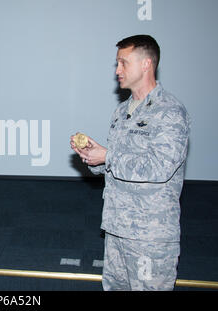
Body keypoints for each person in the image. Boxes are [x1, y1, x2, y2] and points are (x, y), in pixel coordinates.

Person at [70, 35, 190, 291]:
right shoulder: (122, 111)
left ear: (146, 64)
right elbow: (116, 166)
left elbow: (160, 168)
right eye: (117, 64)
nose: (117, 71)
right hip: (116, 230)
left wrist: (108, 156)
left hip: (150, 237)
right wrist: (94, 156)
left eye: (123, 63)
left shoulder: (169, 112)